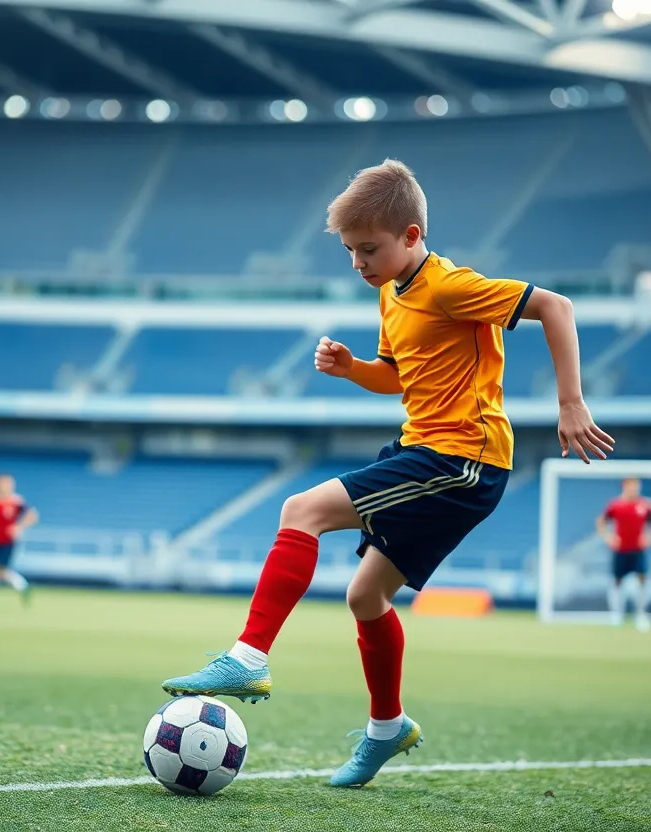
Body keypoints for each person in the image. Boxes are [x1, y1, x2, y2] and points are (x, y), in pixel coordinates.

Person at [160, 159, 613, 788]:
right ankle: (387, 730)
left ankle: (247, 656)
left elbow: (556, 308)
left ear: (411, 235)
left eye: (368, 248)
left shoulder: (451, 286)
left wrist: (569, 402)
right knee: (365, 596)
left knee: (301, 511)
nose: (358, 262)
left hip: (462, 459)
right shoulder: (390, 290)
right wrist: (354, 369)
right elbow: (399, 374)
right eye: (349, 250)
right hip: (423, 448)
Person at [596, 477, 651, 632]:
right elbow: (601, 522)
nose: (635, 489)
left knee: (642, 580)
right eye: (632, 486)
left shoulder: (644, 505)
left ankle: (641, 615)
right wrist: (609, 537)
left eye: (637, 486)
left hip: (637, 550)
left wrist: (649, 537)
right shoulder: (616, 505)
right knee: (617, 581)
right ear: (625, 486)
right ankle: (616, 614)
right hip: (620, 550)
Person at [0, 474, 38, 610]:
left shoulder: (16, 501)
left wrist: (18, 526)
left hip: (8, 541)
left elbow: (32, 515)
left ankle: (21, 585)